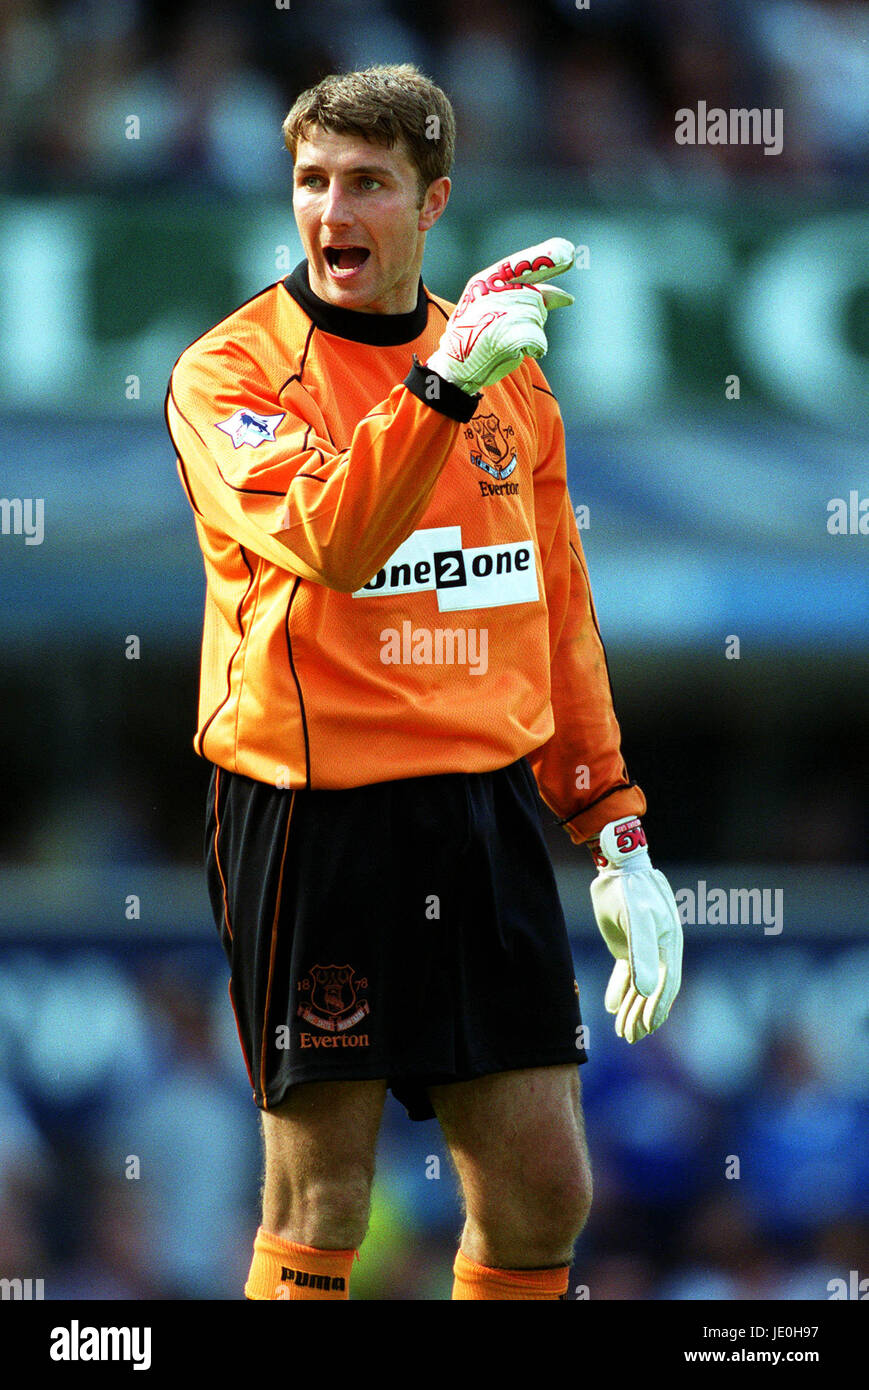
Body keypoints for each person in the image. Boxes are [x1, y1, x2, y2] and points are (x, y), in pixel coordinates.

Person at [165, 62, 683, 1302]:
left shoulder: (511, 370)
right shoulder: (226, 377)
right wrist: (440, 384)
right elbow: (336, 540)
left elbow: (551, 608)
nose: (332, 212)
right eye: (310, 181)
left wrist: (613, 829)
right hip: (311, 806)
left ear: (431, 199)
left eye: (367, 184)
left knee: (543, 1188)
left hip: (484, 805)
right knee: (322, 1197)